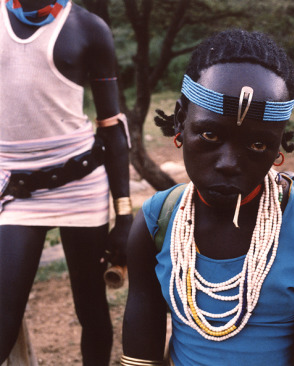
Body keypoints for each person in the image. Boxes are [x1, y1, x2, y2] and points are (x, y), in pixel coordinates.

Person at [121, 29, 294, 366]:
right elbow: (140, 352)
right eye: (210, 134)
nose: (229, 163)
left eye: (258, 144)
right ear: (180, 122)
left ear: (280, 145)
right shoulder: (156, 220)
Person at [0, 0, 132, 365]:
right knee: (4, 316)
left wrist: (124, 217)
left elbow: (112, 127)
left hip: (80, 186)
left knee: (91, 307)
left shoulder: (88, 28)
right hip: (15, 191)